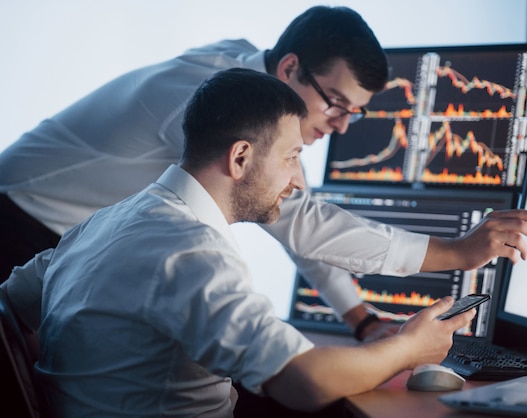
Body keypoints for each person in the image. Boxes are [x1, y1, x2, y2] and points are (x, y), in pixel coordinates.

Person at [0, 5, 527, 344]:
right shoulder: (214, 104)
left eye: (352, 113)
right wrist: (455, 252)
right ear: (289, 69)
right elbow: (300, 221)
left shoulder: (253, 97)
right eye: (336, 103)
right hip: (16, 224)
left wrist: (360, 320)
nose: (339, 126)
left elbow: (292, 212)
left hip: (60, 245)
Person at [3, 67, 479, 417]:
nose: (295, 182)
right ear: (240, 158)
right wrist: (409, 349)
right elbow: (305, 383)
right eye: (292, 157)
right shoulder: (191, 254)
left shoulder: (104, 223)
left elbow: (10, 306)